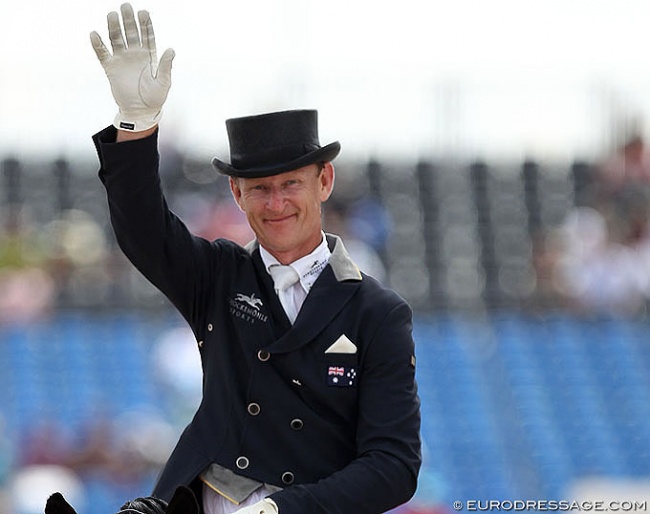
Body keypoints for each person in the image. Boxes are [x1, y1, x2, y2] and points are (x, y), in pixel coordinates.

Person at [89, 4, 421, 514]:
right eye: (259, 188)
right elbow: (142, 231)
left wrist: (282, 510)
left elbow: (394, 465)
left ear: (325, 182)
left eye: (291, 184)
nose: (276, 203)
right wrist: (136, 125)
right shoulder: (218, 277)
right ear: (236, 194)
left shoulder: (377, 312)